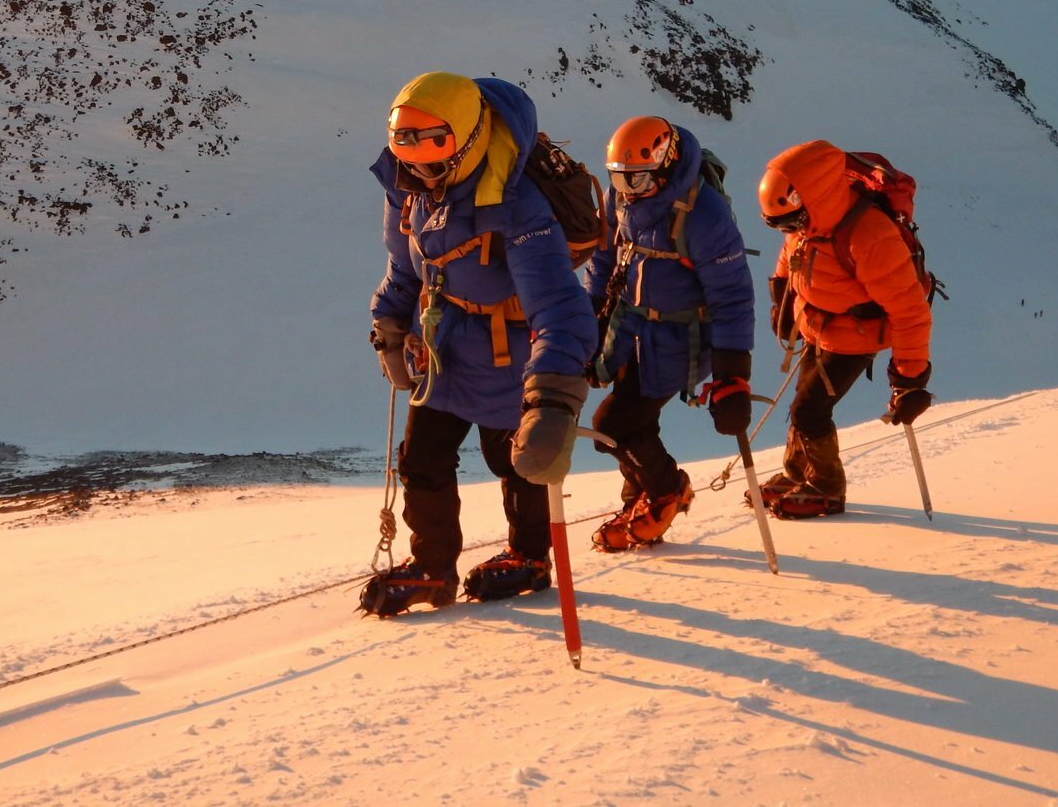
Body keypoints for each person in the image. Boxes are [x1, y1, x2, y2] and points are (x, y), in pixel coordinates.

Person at [360, 72, 598, 617]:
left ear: (467, 137)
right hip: (444, 352)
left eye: (433, 140)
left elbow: (560, 306)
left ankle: (530, 557)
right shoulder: (411, 190)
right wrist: (390, 323)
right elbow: (405, 268)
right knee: (421, 460)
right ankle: (433, 569)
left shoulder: (519, 207)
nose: (416, 156)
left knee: (515, 460)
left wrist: (554, 396)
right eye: (403, 139)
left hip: (509, 357)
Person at [585, 116, 756, 549]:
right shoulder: (622, 198)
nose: (627, 190)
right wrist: (591, 317)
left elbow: (733, 295)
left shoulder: (704, 214)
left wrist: (732, 375)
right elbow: (606, 256)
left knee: (615, 423)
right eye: (619, 179)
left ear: (664, 164)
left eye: (638, 180)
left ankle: (666, 492)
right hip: (629, 326)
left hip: (682, 336)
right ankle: (638, 497)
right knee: (633, 418)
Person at [755, 139, 934, 518]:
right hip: (816, 325)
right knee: (803, 403)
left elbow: (909, 310)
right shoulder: (808, 220)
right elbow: (791, 254)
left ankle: (826, 488)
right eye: (784, 224)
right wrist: (781, 296)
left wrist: (910, 379)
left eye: (793, 221)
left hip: (856, 335)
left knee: (810, 410)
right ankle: (799, 472)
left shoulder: (870, 236)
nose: (791, 230)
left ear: (815, 198)